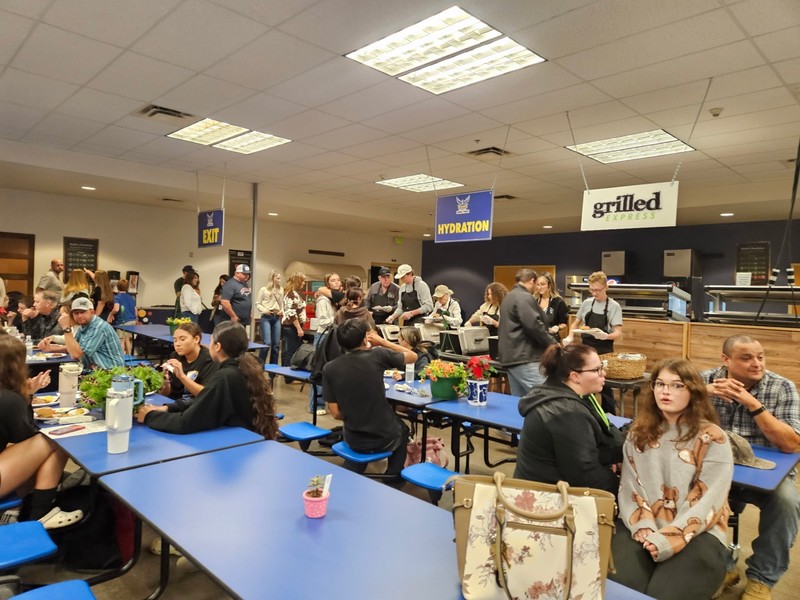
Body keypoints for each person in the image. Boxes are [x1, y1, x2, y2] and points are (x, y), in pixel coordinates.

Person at [611, 358, 733, 600]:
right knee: (621, 590)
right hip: (642, 524)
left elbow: (708, 500)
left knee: (664, 594)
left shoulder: (712, 437)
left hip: (698, 529)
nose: (666, 391)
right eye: (660, 384)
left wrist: (671, 537)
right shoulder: (638, 433)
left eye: (677, 386)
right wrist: (642, 526)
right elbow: (630, 488)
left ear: (694, 392)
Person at [700, 335, 800, 600]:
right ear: (726, 360)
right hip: (714, 469)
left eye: (760, 356)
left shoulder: (782, 387)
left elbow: (791, 444)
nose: (757, 364)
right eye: (746, 358)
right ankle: (720, 569)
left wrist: (752, 404)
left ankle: (762, 578)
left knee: (787, 503)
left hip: (766, 474)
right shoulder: (703, 380)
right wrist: (699, 393)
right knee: (685, 493)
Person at [514, 343, 622, 494]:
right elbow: (587, 476)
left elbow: (603, 434)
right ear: (575, 376)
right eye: (596, 370)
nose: (603, 373)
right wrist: (624, 488)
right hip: (546, 502)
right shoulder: (566, 413)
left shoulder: (571, 396)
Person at [137, 322, 276, 438]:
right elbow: (208, 399)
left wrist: (150, 415)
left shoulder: (226, 376)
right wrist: (168, 408)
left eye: (210, 341)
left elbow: (185, 423)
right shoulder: (243, 368)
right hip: (245, 437)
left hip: (235, 442)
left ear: (217, 346)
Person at [0, 334, 82, 529]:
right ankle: (40, 515)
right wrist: (25, 396)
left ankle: (25, 508)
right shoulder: (9, 399)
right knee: (54, 440)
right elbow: (27, 436)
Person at [322, 318, 416, 479]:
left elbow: (336, 413)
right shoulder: (378, 354)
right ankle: (393, 478)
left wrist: (355, 412)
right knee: (403, 429)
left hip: (353, 437)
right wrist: (382, 341)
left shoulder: (329, 368)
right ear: (365, 338)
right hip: (383, 437)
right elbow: (413, 356)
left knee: (358, 449)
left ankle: (353, 471)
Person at [566, 271, 624, 414]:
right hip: (586, 351)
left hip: (604, 352)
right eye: (591, 290)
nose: (594, 293)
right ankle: (585, 414)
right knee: (584, 385)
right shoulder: (586, 303)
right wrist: (570, 336)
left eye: (597, 290)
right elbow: (576, 323)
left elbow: (618, 333)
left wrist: (605, 336)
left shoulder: (614, 306)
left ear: (606, 288)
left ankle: (610, 418)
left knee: (605, 388)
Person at [498, 268, 554, 397]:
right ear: (532, 281)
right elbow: (533, 325)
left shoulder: (509, 297)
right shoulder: (523, 297)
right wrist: (552, 343)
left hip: (511, 358)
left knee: (522, 402)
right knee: (547, 397)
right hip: (524, 358)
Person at [42, 297, 124, 370]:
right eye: (76, 313)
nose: (79, 316)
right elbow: (76, 347)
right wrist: (51, 349)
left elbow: (76, 354)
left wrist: (66, 328)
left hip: (111, 373)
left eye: (83, 312)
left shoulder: (98, 327)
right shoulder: (84, 326)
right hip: (95, 370)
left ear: (92, 312)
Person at [158, 322, 218, 407]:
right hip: (175, 405)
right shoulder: (175, 356)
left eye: (182, 339)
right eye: (175, 340)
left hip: (196, 406)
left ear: (196, 339)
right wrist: (166, 379)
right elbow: (165, 395)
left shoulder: (209, 359)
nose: (177, 344)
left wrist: (182, 376)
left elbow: (205, 394)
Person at [310, 273, 342, 414]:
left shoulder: (335, 299)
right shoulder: (323, 300)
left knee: (332, 372)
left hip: (333, 337)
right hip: (323, 336)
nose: (336, 282)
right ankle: (317, 405)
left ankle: (331, 404)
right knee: (320, 371)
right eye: (333, 280)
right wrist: (338, 317)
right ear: (328, 284)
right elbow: (322, 321)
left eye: (338, 280)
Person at [281, 272, 307, 373]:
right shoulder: (292, 294)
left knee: (292, 350)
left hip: (293, 326)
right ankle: (288, 375)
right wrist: (299, 328)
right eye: (303, 281)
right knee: (290, 351)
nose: (304, 283)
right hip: (291, 327)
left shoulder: (295, 293)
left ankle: (289, 373)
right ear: (298, 282)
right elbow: (291, 313)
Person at [255, 270, 283, 365]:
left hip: (276, 317)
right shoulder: (264, 290)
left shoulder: (281, 289)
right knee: (267, 343)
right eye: (278, 278)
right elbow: (258, 303)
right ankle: (260, 366)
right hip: (266, 317)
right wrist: (264, 310)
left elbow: (281, 303)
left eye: (280, 278)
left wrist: (282, 310)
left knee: (276, 345)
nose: (280, 280)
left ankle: (273, 369)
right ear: (272, 278)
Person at [213, 264, 252, 329]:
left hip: (243, 321)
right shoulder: (230, 284)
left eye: (248, 274)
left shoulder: (244, 284)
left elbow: (247, 299)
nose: (247, 276)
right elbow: (224, 302)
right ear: (237, 273)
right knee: (232, 338)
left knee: (241, 338)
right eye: (244, 274)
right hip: (232, 322)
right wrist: (233, 316)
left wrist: (250, 313)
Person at [535, 272, 568, 343]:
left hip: (551, 340)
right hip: (536, 340)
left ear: (549, 285)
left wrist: (557, 328)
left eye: (542, 284)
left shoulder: (559, 302)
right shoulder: (534, 301)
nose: (539, 287)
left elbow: (564, 323)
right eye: (538, 285)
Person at [108, 278, 137, 355]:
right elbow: (135, 310)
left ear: (117, 287)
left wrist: (110, 314)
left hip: (123, 321)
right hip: (132, 320)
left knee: (121, 340)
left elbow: (116, 308)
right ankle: (129, 356)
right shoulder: (132, 297)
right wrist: (136, 320)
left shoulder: (117, 297)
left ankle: (121, 357)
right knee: (129, 339)